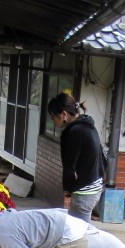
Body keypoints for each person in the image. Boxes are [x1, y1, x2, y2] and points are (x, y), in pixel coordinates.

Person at [47, 93, 106, 223]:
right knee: (81, 228)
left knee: (79, 231)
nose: (52, 120)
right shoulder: (88, 125)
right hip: (95, 185)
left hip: (85, 191)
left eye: (53, 116)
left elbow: (69, 165)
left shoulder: (75, 132)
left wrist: (67, 190)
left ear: (63, 114)